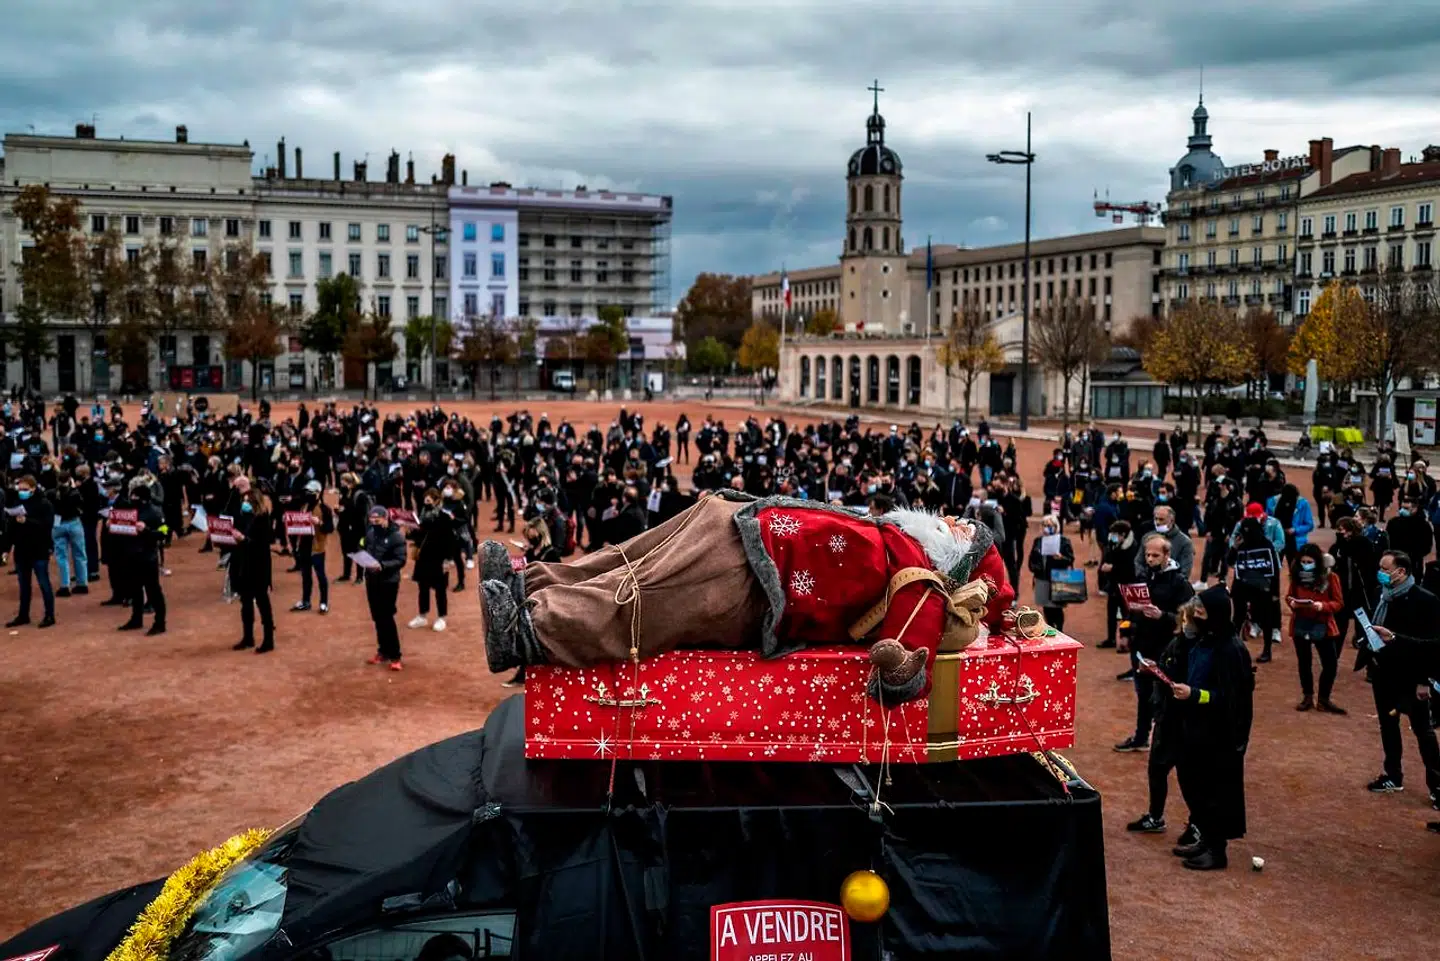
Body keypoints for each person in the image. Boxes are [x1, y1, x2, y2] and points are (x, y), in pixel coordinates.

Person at [478, 494, 1013, 703]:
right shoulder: (899, 535)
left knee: (650, 598)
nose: (953, 520)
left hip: (760, 582)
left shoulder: (923, 578)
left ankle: (530, 631)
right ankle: (533, 585)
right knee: (631, 558)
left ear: (961, 562)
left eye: (964, 531)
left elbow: (906, 660)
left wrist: (901, 667)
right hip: (745, 525)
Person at [1171, 588, 1255, 870]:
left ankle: (1217, 851)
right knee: (1192, 782)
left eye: (1202, 611)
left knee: (1214, 792)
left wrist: (1195, 694)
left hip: (1218, 735)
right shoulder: (1205, 640)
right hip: (1195, 727)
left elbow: (1230, 698)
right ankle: (1205, 839)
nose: (1196, 615)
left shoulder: (1231, 649)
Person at [1359, 550, 1440, 802]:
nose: (1380, 573)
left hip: (1412, 676)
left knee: (1422, 730)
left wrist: (1425, 680)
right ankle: (1393, 775)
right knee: (1388, 725)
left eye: (1385, 568)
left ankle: (1437, 785)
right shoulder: (1380, 594)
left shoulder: (1426, 600)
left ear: (1401, 571)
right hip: (1383, 672)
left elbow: (1434, 645)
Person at [1115, 534, 1193, 752]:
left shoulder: (1180, 584)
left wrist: (1163, 616)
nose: (1150, 559)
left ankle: (1167, 740)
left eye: (1155, 555)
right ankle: (1141, 737)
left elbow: (1188, 620)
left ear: (1167, 555)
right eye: (1147, 554)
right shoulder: (1147, 578)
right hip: (1142, 646)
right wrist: (1128, 626)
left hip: (1165, 649)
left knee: (1164, 697)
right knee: (1143, 695)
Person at [500, 517, 565, 690]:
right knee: (526, 639)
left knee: (538, 642)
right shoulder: (531, 552)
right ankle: (524, 674)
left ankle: (529, 676)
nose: (529, 538)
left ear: (541, 533)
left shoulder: (551, 554)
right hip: (528, 602)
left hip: (545, 604)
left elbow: (558, 579)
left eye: (532, 535)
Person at [1284, 544, 1347, 714]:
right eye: (1303, 561)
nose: (1305, 564)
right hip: (1301, 623)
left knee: (1330, 664)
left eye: (1309, 561)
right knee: (1304, 662)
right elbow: (1289, 595)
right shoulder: (1297, 576)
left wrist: (1322, 606)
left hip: (1323, 625)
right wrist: (1292, 603)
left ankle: (1324, 699)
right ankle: (1307, 697)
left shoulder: (1331, 577)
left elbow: (1339, 603)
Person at [116, 476, 167, 636]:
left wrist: (146, 531)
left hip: (148, 557)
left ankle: (160, 622)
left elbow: (163, 533)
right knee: (135, 589)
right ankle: (136, 618)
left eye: (135, 496)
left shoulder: (155, 513)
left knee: (153, 591)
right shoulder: (130, 511)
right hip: (132, 556)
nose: (132, 498)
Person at [1228, 515, 1282, 662]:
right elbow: (1229, 561)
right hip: (1242, 585)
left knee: (1266, 619)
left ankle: (1267, 650)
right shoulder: (1240, 544)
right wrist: (1234, 547)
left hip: (1262, 587)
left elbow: (1274, 570)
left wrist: (1275, 592)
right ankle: (1231, 648)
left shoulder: (1267, 544)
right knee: (1237, 617)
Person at [6, 474, 56, 629]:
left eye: (25, 489)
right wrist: (6, 549)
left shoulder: (45, 504)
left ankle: (49, 615)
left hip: (39, 550)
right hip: (21, 550)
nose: (22, 491)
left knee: (43, 583)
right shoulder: (17, 503)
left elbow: (47, 526)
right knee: (24, 585)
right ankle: (23, 615)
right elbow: (11, 529)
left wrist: (27, 521)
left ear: (33, 488)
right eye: (20, 489)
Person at [229, 487, 275, 653]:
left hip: (260, 566)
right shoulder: (247, 518)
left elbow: (262, 543)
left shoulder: (263, 519)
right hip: (246, 565)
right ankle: (248, 637)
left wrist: (243, 539)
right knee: (246, 602)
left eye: (247, 500)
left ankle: (269, 639)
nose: (244, 503)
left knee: (263, 603)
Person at [362, 503, 408, 670]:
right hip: (372, 580)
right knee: (377, 617)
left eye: (377, 519)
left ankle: (395, 655)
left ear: (385, 518)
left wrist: (383, 565)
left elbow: (401, 560)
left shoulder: (396, 536)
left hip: (388, 582)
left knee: (387, 617)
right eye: (371, 519)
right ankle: (383, 651)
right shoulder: (371, 533)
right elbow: (367, 550)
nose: (374, 521)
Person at [408, 487, 456, 633]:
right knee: (422, 587)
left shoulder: (444, 517)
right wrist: (410, 531)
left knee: (440, 589)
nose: (427, 501)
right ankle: (422, 615)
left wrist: (448, 560)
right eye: (425, 498)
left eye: (430, 499)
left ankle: (442, 617)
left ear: (437, 501)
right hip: (423, 557)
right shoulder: (421, 516)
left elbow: (449, 540)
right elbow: (418, 536)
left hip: (439, 558)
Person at [291, 479, 334, 614]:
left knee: (321, 576)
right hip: (304, 546)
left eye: (310, 492)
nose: (307, 494)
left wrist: (319, 522)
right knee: (306, 576)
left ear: (318, 493)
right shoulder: (304, 506)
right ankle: (305, 601)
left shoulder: (324, 509)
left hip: (317, 548)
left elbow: (330, 528)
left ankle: (323, 603)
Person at [1027, 513, 1075, 632]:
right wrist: (1035, 568)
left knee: (1057, 608)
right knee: (1046, 607)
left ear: (1056, 526)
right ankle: (1051, 627)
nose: (1047, 527)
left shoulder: (1063, 541)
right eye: (1045, 525)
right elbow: (1032, 559)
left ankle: (1060, 629)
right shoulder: (1038, 541)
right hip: (1041, 577)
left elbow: (1070, 559)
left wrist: (1061, 557)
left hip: (1057, 578)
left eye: (1050, 525)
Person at [1097, 519, 1141, 650]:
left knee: (1126, 615)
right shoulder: (1113, 544)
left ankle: (1125, 641)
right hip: (1114, 585)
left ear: (1123, 534)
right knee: (1111, 613)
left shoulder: (1133, 548)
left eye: (1115, 534)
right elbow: (1107, 558)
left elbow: (1130, 569)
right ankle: (1110, 639)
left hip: (1127, 586)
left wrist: (1112, 568)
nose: (1112, 536)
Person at [49, 471, 88, 597]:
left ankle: (65, 586)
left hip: (58, 523)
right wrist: (74, 487)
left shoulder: (52, 493)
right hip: (74, 523)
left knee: (61, 556)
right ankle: (82, 584)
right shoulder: (75, 493)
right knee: (79, 554)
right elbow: (82, 504)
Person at [1265, 483, 1314, 562]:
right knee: (1275, 565)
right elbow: (1267, 522)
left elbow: (1309, 525)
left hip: (1294, 540)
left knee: (1295, 567)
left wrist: (1295, 530)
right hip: (1277, 539)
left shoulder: (1303, 504)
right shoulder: (1272, 502)